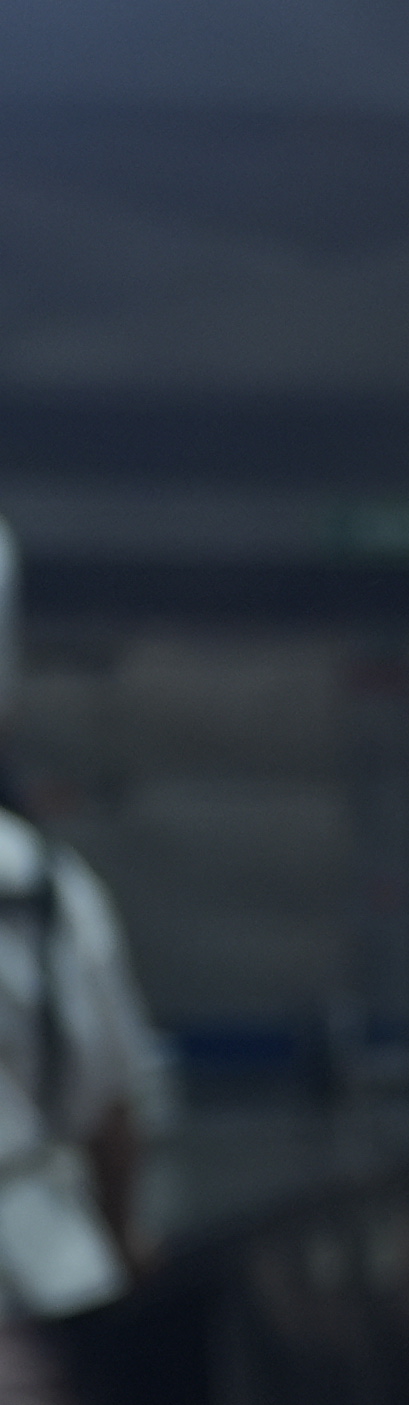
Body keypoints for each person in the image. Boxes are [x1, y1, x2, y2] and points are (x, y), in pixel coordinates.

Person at [0, 516, 167, 1323]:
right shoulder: (46, 885)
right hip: (56, 1277)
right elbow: (112, 1107)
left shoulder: (43, 890)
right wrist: (124, 1236)